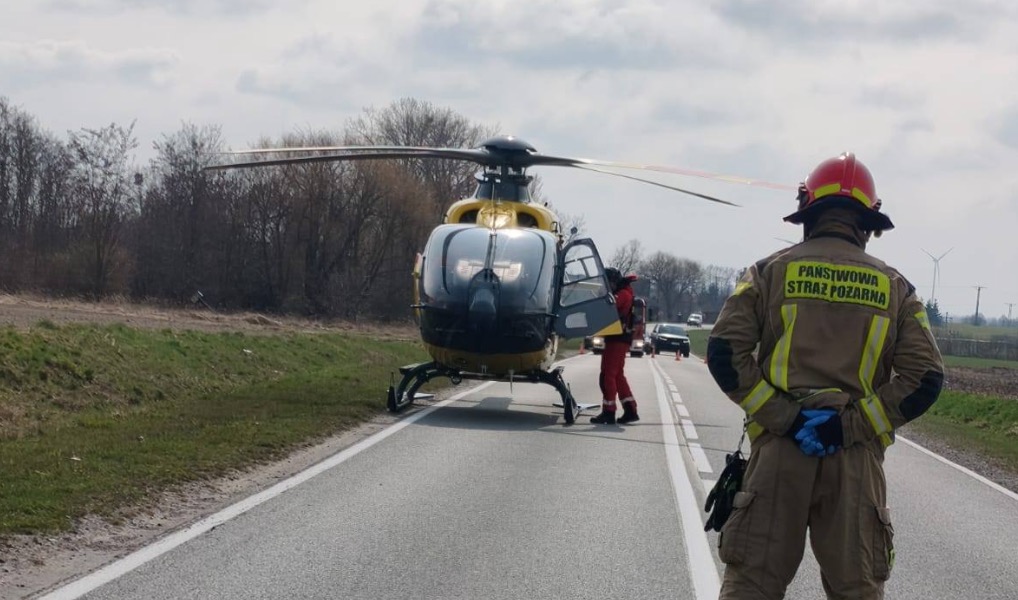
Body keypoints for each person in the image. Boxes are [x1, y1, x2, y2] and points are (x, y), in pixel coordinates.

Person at [705, 152, 944, 599]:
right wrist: (850, 426)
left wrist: (785, 418)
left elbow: (723, 353)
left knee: (751, 586)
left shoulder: (768, 271)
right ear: (869, 223)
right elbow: (925, 379)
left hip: (780, 454)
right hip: (854, 460)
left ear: (807, 214)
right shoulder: (897, 289)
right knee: (857, 589)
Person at [591, 267, 640, 425]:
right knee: (617, 375)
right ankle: (630, 409)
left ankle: (609, 411)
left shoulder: (622, 294)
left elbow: (608, 307)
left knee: (607, 375)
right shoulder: (624, 292)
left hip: (617, 339)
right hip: (618, 338)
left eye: (608, 283)